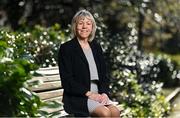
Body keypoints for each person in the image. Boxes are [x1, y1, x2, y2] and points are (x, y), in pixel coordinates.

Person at [58, 9, 120, 117]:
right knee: (105, 113)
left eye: (88, 23)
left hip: (99, 94)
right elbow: (67, 81)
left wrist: (104, 93)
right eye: (80, 23)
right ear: (74, 26)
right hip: (78, 97)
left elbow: (104, 76)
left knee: (115, 112)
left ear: (92, 27)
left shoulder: (96, 47)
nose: (84, 27)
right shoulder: (67, 48)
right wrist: (90, 94)